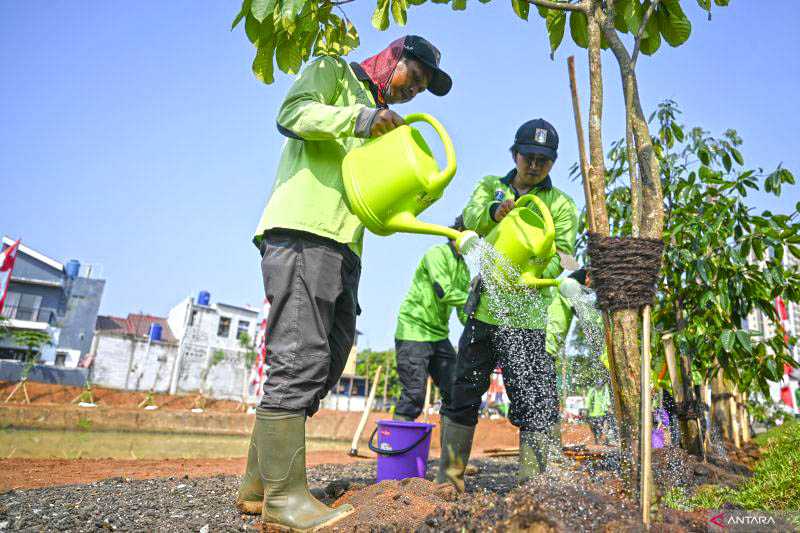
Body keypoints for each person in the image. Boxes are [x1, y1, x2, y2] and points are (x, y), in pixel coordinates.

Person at [236, 36, 453, 531]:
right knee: (299, 357)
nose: (412, 92)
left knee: (329, 358)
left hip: (344, 247)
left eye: (421, 89)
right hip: (303, 231)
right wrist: (358, 119)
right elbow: (293, 112)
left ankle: (257, 482)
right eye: (412, 78)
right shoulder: (335, 73)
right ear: (392, 58)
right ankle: (284, 499)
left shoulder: (383, 121)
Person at [437, 119, 578, 492]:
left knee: (536, 398)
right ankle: (449, 479)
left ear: (553, 162)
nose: (534, 166)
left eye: (543, 161)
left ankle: (535, 485)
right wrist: (494, 214)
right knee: (463, 391)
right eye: (528, 157)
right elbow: (467, 223)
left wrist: (528, 272)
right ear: (515, 154)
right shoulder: (490, 187)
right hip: (485, 311)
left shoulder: (561, 204)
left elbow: (564, 256)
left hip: (530, 316)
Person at [394, 217, 471, 421]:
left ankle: (449, 452)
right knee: (414, 394)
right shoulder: (437, 254)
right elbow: (443, 291)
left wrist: (476, 313)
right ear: (458, 231)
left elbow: (464, 312)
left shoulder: (464, 269)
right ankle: (395, 450)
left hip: (439, 336)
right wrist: (473, 298)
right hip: (414, 330)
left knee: (456, 391)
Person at [585, 378, 611, 444]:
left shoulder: (605, 391)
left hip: (602, 413)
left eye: (601, 385)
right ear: (596, 384)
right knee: (594, 428)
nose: (600, 386)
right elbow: (588, 401)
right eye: (599, 384)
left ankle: (604, 438)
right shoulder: (592, 391)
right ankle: (597, 438)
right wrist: (586, 410)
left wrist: (608, 408)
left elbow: (607, 400)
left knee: (603, 426)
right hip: (592, 414)